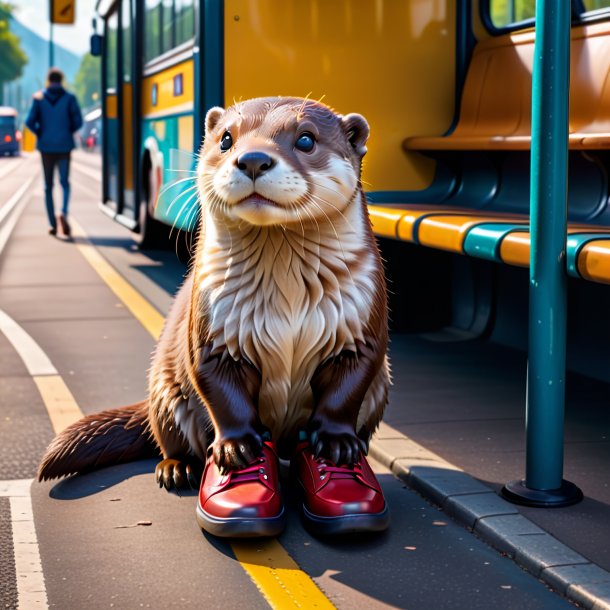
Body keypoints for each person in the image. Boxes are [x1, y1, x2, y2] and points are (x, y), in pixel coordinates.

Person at [26, 68, 83, 237]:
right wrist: (67, 130)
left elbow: (29, 122)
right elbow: (78, 121)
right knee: (65, 183)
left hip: (46, 147)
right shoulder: (70, 98)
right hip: (64, 146)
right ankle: (63, 212)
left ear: (48, 80)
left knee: (48, 186)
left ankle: (52, 224)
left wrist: (40, 133)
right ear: (62, 80)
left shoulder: (39, 98)